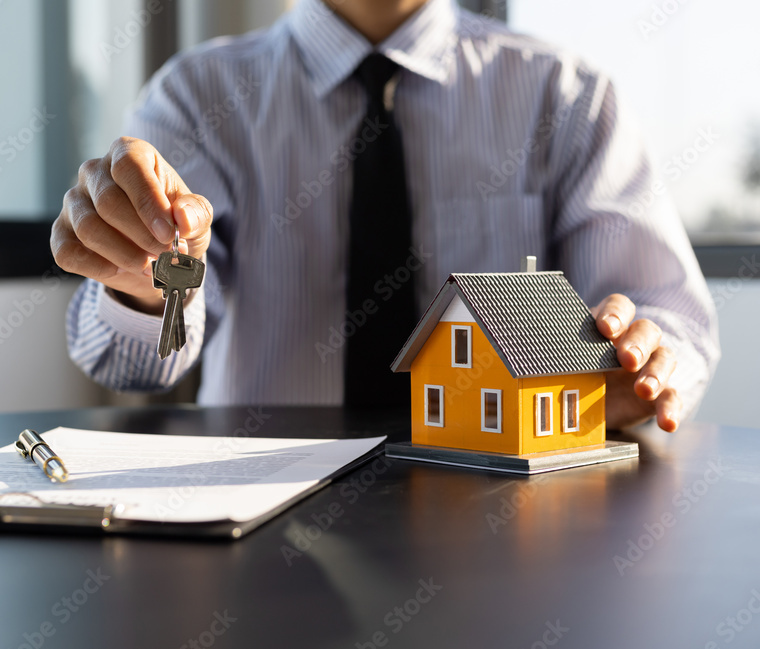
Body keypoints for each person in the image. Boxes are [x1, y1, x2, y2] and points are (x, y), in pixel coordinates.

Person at [51, 0, 719, 432]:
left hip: (507, 526)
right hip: (255, 526)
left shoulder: (567, 97)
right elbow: (138, 364)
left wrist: (645, 356)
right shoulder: (197, 98)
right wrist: (141, 286)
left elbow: (668, 316)